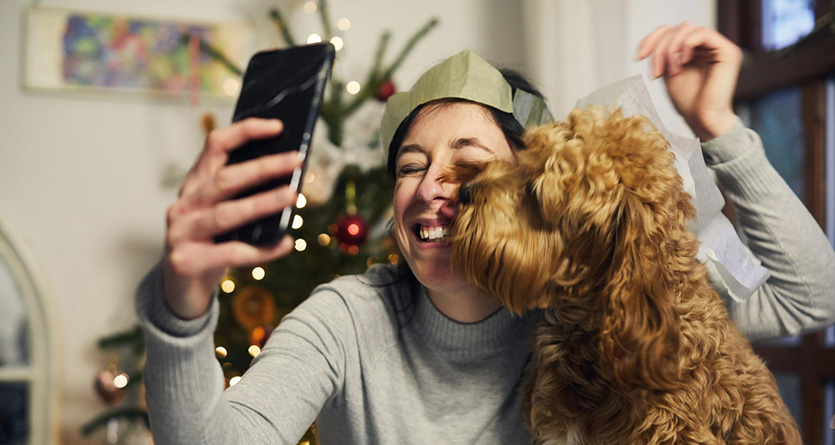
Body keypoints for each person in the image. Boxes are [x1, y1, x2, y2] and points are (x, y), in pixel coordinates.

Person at [136, 23, 835, 444]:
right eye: (411, 166)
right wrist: (183, 305)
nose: (433, 183)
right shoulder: (346, 321)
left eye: (468, 163)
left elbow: (813, 295)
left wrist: (717, 125)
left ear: (523, 192)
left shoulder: (588, 305)